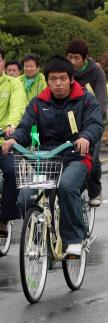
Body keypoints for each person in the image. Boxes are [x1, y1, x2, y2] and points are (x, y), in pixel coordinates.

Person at [2, 55, 103, 256]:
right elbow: (25, 128)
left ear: (71, 79)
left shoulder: (85, 99)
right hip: (46, 159)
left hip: (76, 157)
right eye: (53, 79)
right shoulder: (39, 102)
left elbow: (95, 124)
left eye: (63, 78)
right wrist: (14, 139)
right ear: (47, 80)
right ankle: (38, 235)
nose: (58, 83)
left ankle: (74, 239)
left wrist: (85, 137)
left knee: (66, 186)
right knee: (25, 197)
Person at [66, 39, 108, 207]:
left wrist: (95, 116)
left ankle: (95, 190)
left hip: (92, 119)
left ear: (85, 58)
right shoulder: (65, 72)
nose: (72, 62)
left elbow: (102, 96)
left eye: (76, 58)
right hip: (69, 120)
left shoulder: (96, 72)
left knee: (93, 157)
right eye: (69, 57)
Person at [0, 48, 28, 237]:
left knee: (12, 173)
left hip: (4, 140)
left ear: (3, 62)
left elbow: (18, 105)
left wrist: (11, 125)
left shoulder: (13, 84)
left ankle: (4, 218)